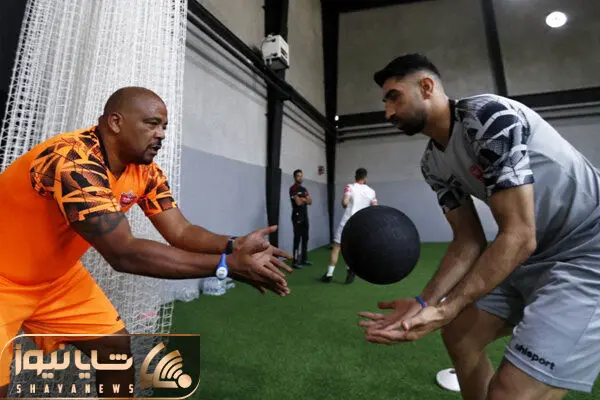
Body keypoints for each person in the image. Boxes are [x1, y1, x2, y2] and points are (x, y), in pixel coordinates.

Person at [0, 86, 293, 398]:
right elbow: (124, 253)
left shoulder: (146, 173)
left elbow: (181, 231)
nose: (161, 134)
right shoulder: (74, 160)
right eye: (152, 124)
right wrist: (226, 265)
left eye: (164, 126)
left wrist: (235, 245)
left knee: (114, 348)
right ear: (116, 122)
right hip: (3, 280)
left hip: (57, 279)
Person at [358, 53, 600, 400]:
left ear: (426, 87)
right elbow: (468, 241)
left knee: (509, 393)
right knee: (459, 336)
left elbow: (519, 235)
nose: (388, 113)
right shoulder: (432, 164)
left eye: (394, 97)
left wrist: (447, 307)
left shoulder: (488, 118)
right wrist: (425, 302)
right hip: (534, 253)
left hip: (588, 250)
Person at [321, 167, 377, 284]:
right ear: (365, 178)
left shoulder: (350, 187)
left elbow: (345, 202)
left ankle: (329, 274)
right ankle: (350, 270)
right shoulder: (371, 192)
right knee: (353, 249)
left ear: (355, 177)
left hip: (347, 222)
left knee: (337, 247)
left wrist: (345, 203)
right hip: (361, 224)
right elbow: (375, 208)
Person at [289, 169, 312, 268]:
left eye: (301, 176)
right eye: (298, 176)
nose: (300, 178)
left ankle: (304, 259)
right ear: (295, 177)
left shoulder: (304, 189)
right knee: (297, 239)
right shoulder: (293, 189)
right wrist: (304, 199)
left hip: (305, 216)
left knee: (305, 238)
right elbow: (298, 203)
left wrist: (303, 199)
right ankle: (295, 261)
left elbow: (310, 201)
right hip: (297, 216)